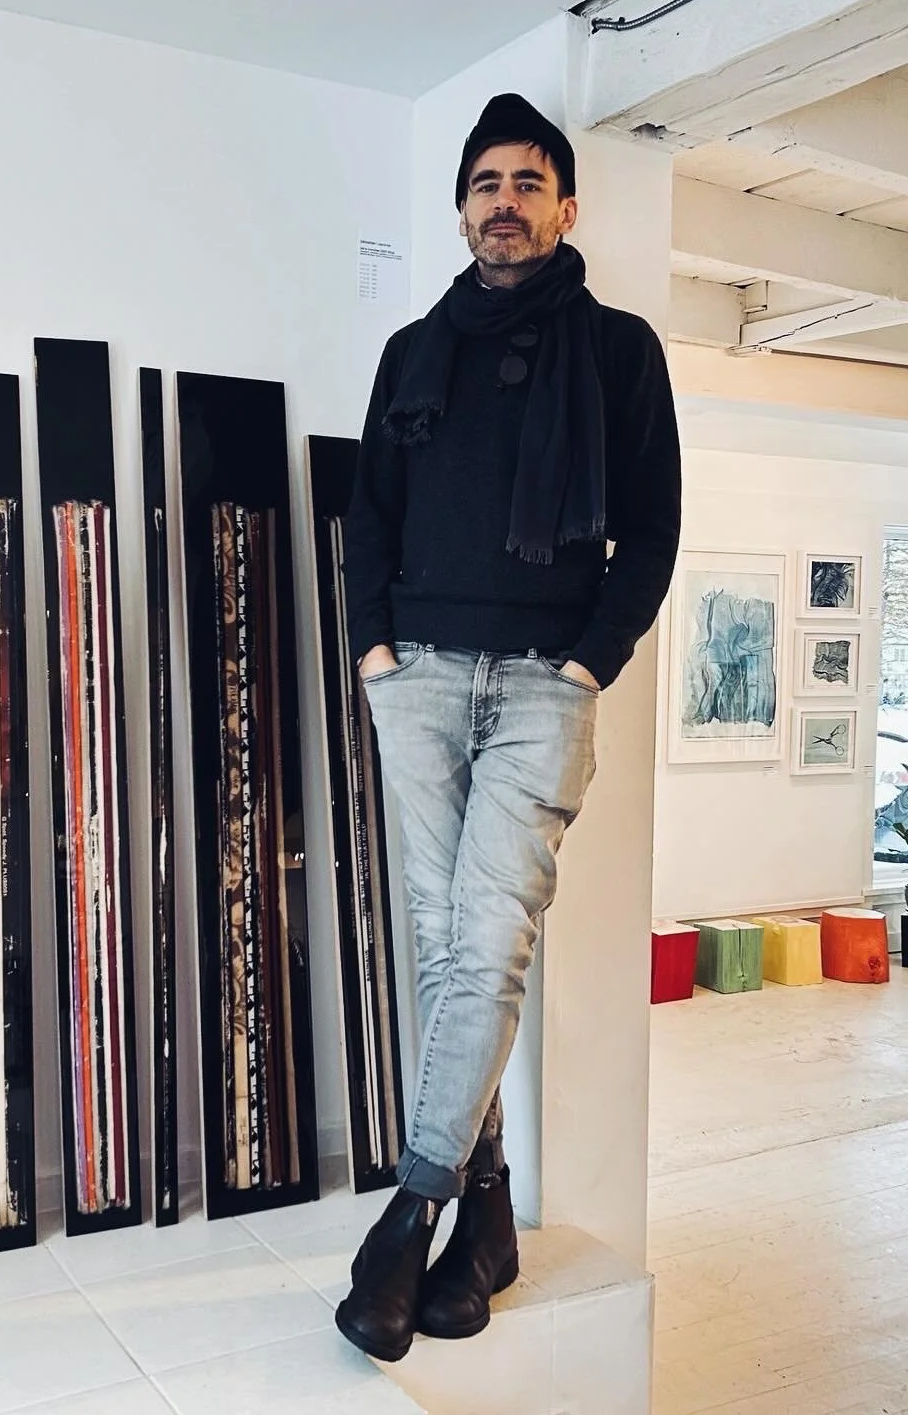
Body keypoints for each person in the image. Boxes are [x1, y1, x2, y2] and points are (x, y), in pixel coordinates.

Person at [333, 93, 681, 1363]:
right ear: (462, 210)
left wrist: (588, 665)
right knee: (447, 951)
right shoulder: (414, 352)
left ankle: (410, 1213)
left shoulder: (619, 352)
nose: (506, 201)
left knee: (484, 946)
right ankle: (487, 1228)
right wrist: (374, 652)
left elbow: (652, 526)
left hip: (543, 686)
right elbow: (370, 510)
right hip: (419, 677)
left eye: (530, 183)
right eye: (487, 183)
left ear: (566, 209)